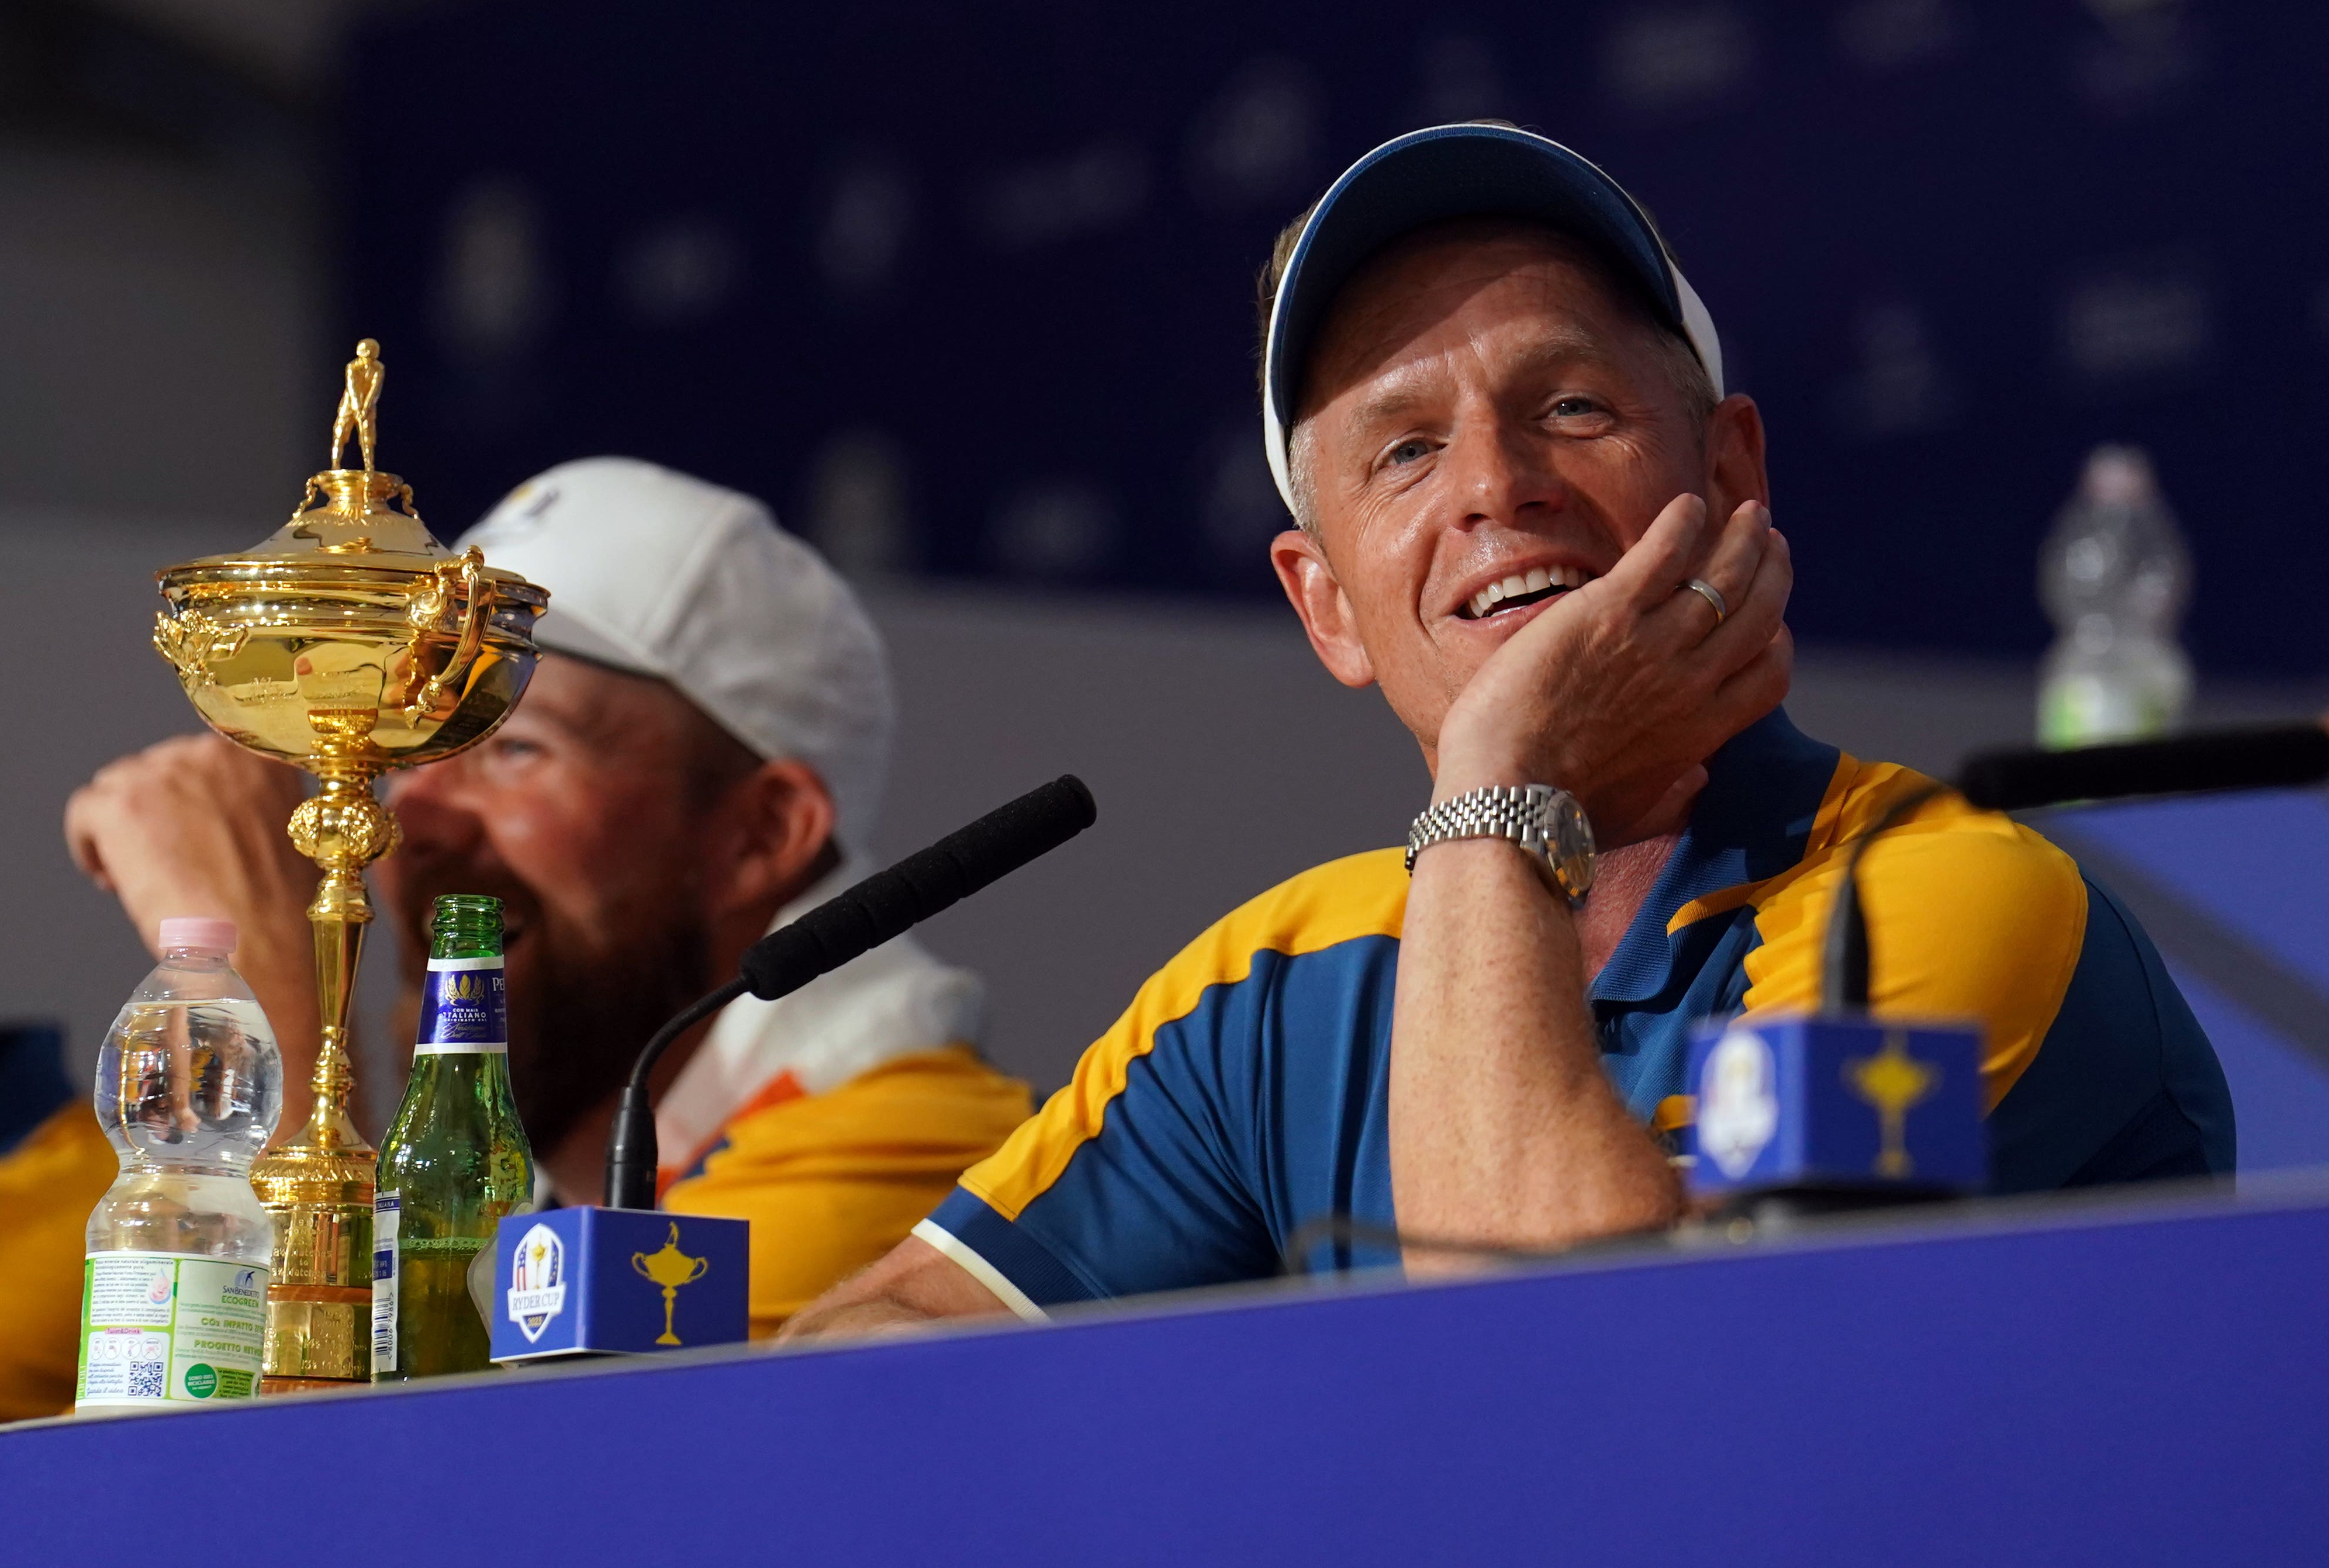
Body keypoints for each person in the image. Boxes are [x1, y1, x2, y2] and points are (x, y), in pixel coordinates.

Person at [782, 123, 2233, 1338]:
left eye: (1571, 404)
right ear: (1325, 605)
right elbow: (858, 1364)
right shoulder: (1270, 989)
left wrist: (1500, 780)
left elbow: (1585, 1385)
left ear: (1731, 479)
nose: (1492, 484)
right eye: (1404, 448)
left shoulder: (1923, 895)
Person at [0, 458, 1030, 1422]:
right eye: (418, 743)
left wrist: (265, 1006)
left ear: (758, 835)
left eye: (512, 747)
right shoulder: (546, 1174)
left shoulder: (903, 1155)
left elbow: (415, 1516)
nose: (410, 815)